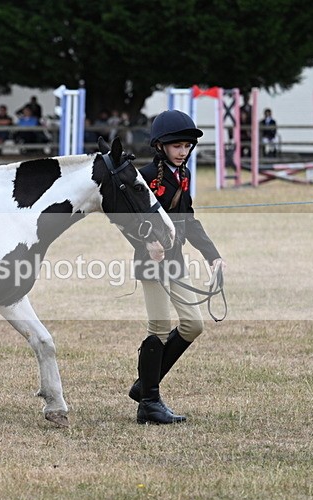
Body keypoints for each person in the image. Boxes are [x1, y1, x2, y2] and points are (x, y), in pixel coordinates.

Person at [129, 109, 225, 425]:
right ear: (160, 146)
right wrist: (147, 242)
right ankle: (149, 403)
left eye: (186, 146)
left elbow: (189, 219)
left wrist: (212, 255)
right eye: (177, 146)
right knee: (158, 328)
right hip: (151, 262)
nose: (183, 151)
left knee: (193, 325)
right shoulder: (142, 176)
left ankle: (145, 384)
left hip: (176, 261)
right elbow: (126, 221)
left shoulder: (183, 175)